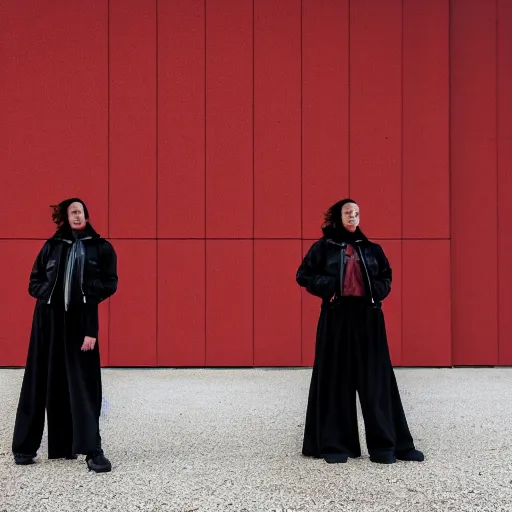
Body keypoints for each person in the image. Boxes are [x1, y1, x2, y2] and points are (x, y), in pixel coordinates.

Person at [296, 198, 424, 464]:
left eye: (356, 213)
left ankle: (386, 446)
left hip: (369, 318)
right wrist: (329, 286)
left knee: (377, 381)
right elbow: (303, 275)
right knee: (335, 381)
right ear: (337, 217)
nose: (353, 217)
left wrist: (376, 291)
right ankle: (335, 445)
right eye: (348, 212)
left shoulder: (371, 249)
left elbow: (386, 277)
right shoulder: (323, 248)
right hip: (336, 316)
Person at [12, 198, 118, 473]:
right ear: (65, 217)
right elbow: (34, 282)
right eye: (72, 211)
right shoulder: (52, 247)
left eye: (80, 211)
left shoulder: (101, 248)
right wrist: (49, 294)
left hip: (80, 322)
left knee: (84, 387)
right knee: (38, 381)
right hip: (47, 321)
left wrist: (88, 300)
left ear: (86, 215)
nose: (77, 215)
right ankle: (24, 447)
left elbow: (110, 283)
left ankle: (92, 449)